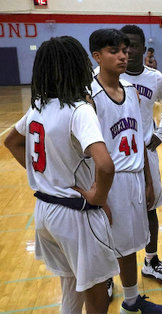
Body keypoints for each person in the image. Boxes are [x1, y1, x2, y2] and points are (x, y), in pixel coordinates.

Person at [4, 36, 119, 313]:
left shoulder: (38, 107)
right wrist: (97, 197)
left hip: (44, 210)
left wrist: (45, 176)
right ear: (78, 66)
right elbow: (105, 165)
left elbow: (11, 142)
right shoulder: (79, 109)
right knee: (96, 287)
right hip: (75, 213)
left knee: (69, 282)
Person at [89, 28, 162, 314]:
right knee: (109, 245)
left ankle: (132, 301)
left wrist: (148, 181)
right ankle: (109, 290)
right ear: (97, 56)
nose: (124, 56)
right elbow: (87, 152)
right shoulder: (90, 96)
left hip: (135, 177)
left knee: (131, 244)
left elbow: (139, 141)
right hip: (110, 182)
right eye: (115, 51)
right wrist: (99, 193)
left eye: (125, 50)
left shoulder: (133, 92)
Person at [119, 25, 162, 286]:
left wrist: (160, 133)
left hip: (146, 153)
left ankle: (150, 260)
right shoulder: (104, 77)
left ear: (144, 48)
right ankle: (111, 272)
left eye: (133, 45)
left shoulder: (154, 78)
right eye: (123, 45)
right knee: (113, 213)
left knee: (151, 208)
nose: (128, 50)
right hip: (116, 158)